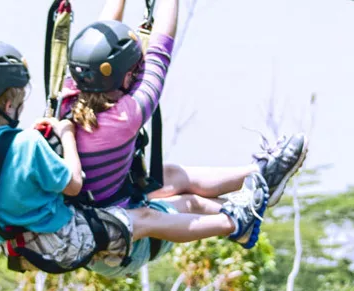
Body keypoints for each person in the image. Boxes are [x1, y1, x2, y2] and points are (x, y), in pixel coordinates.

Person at [0, 40, 270, 275]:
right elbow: (73, 185)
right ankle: (234, 221)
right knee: (146, 218)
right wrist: (68, 137)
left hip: (24, 247)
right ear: (8, 104)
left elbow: (6, 187)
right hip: (62, 240)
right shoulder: (27, 144)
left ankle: (249, 192)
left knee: (172, 196)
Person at [53, 0, 309, 276]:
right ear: (126, 77)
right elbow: (161, 46)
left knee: (171, 175)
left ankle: (259, 176)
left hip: (96, 219)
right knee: (189, 202)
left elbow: (100, 31)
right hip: (120, 245)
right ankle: (243, 215)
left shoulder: (68, 96)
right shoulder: (126, 116)